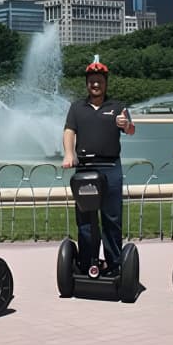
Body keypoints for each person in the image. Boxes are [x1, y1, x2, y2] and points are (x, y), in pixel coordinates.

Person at [62, 58, 135, 276]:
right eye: (92, 81)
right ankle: (87, 263)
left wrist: (127, 125)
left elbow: (131, 130)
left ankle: (114, 264)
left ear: (105, 83)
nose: (95, 85)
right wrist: (69, 153)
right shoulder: (77, 108)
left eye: (99, 81)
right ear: (87, 83)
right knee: (85, 219)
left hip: (110, 166)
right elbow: (69, 132)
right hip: (85, 168)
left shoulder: (118, 107)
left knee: (111, 218)